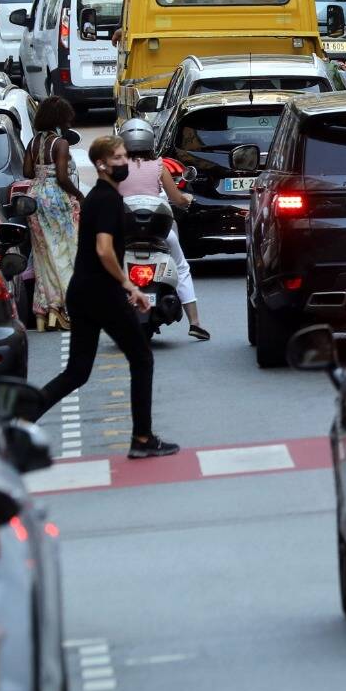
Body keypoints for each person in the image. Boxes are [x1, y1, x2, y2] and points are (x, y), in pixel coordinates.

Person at [32, 135, 179, 460]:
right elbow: (103, 249)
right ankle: (142, 438)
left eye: (125, 156)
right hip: (101, 293)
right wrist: (129, 286)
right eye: (117, 157)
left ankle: (21, 421)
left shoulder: (97, 198)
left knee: (77, 372)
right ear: (101, 164)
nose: (124, 162)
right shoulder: (108, 199)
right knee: (141, 359)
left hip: (81, 292)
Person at [116, 117, 209, 341]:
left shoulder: (115, 167)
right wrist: (186, 199)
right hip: (159, 233)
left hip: (123, 234)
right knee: (181, 266)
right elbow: (176, 198)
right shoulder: (159, 166)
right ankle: (194, 323)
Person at [27, 96, 82, 331]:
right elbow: (62, 177)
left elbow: (27, 171)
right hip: (56, 199)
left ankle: (47, 308)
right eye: (66, 120)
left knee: (43, 255)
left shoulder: (33, 142)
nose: (68, 124)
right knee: (65, 252)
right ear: (59, 119)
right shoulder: (59, 143)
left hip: (34, 197)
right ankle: (69, 307)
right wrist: (79, 195)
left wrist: (42, 173)